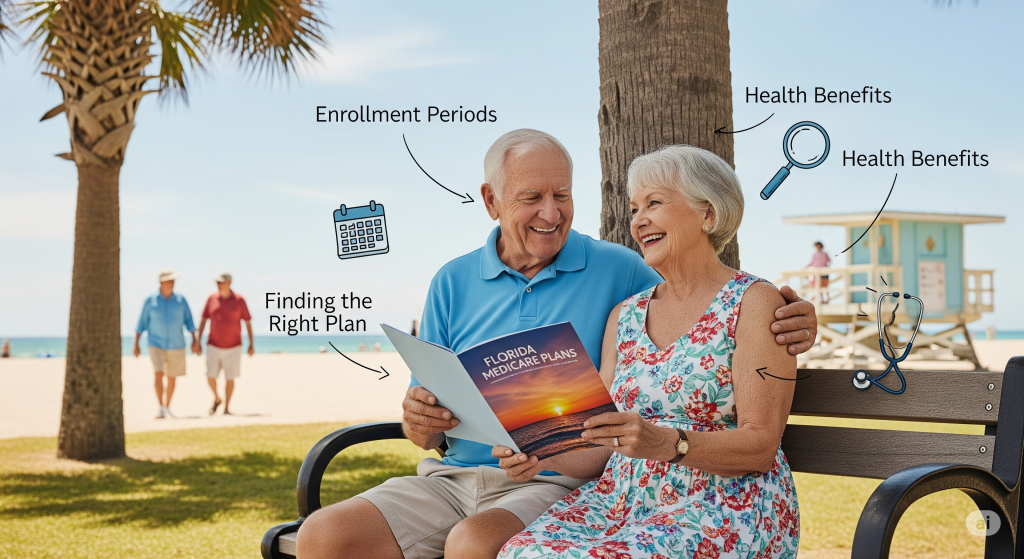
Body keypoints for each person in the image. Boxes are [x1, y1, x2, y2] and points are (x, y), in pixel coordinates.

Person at [295, 130, 818, 559]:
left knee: (478, 546)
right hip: (474, 476)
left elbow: (718, 304)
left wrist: (792, 316)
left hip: (585, 492)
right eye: (531, 198)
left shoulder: (625, 273)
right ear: (491, 201)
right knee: (322, 537)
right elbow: (427, 426)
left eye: (562, 195)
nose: (551, 212)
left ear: (707, 214)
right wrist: (420, 421)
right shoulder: (464, 283)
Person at [498, 145, 799, 558]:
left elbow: (760, 447)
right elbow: (598, 445)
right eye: (635, 207)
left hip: (724, 507)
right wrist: (543, 454)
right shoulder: (625, 315)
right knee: (522, 553)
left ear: (708, 214)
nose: (639, 220)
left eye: (654, 203)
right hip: (620, 504)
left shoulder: (754, 302)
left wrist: (665, 444)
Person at [133, 269, 197, 419]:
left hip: (177, 344)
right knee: (158, 374)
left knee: (172, 377)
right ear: (161, 282)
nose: (173, 283)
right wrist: (136, 344)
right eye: (169, 280)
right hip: (155, 343)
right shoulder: (150, 301)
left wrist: (195, 340)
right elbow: (141, 324)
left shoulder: (181, 300)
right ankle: (160, 407)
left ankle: (168, 406)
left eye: (173, 280)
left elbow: (189, 321)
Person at [194, 272, 253, 415]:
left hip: (234, 346)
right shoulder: (211, 298)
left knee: (230, 378)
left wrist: (251, 343)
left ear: (229, 282)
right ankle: (217, 398)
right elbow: (203, 320)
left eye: (222, 281)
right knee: (210, 376)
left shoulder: (239, 300)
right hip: (213, 344)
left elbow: (247, 322)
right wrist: (198, 341)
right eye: (217, 282)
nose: (219, 284)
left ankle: (227, 408)